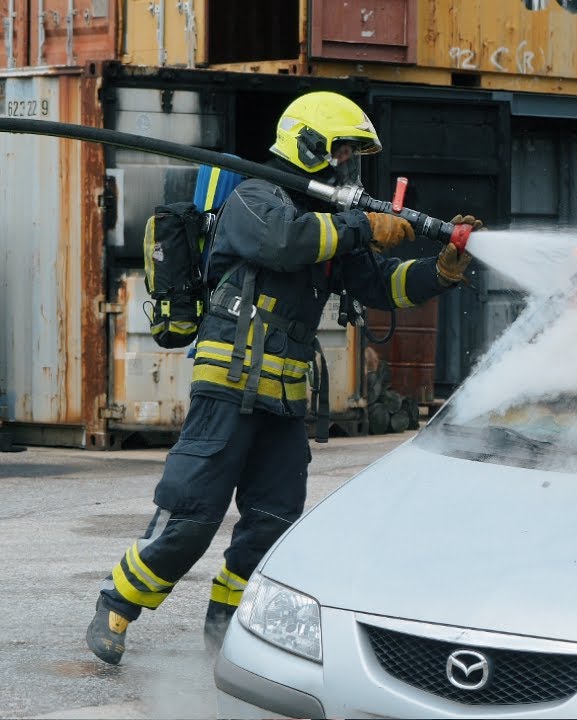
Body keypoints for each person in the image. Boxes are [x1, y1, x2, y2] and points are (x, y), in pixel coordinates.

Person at [85, 90, 481, 665]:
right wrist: (362, 226)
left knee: (272, 522)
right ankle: (116, 605)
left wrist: (440, 271)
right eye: (341, 151)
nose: (347, 164)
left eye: (352, 155)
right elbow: (284, 242)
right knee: (191, 515)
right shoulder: (255, 197)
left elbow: (380, 285)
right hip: (227, 388)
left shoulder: (328, 222)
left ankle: (226, 627)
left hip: (285, 400)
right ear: (309, 144)